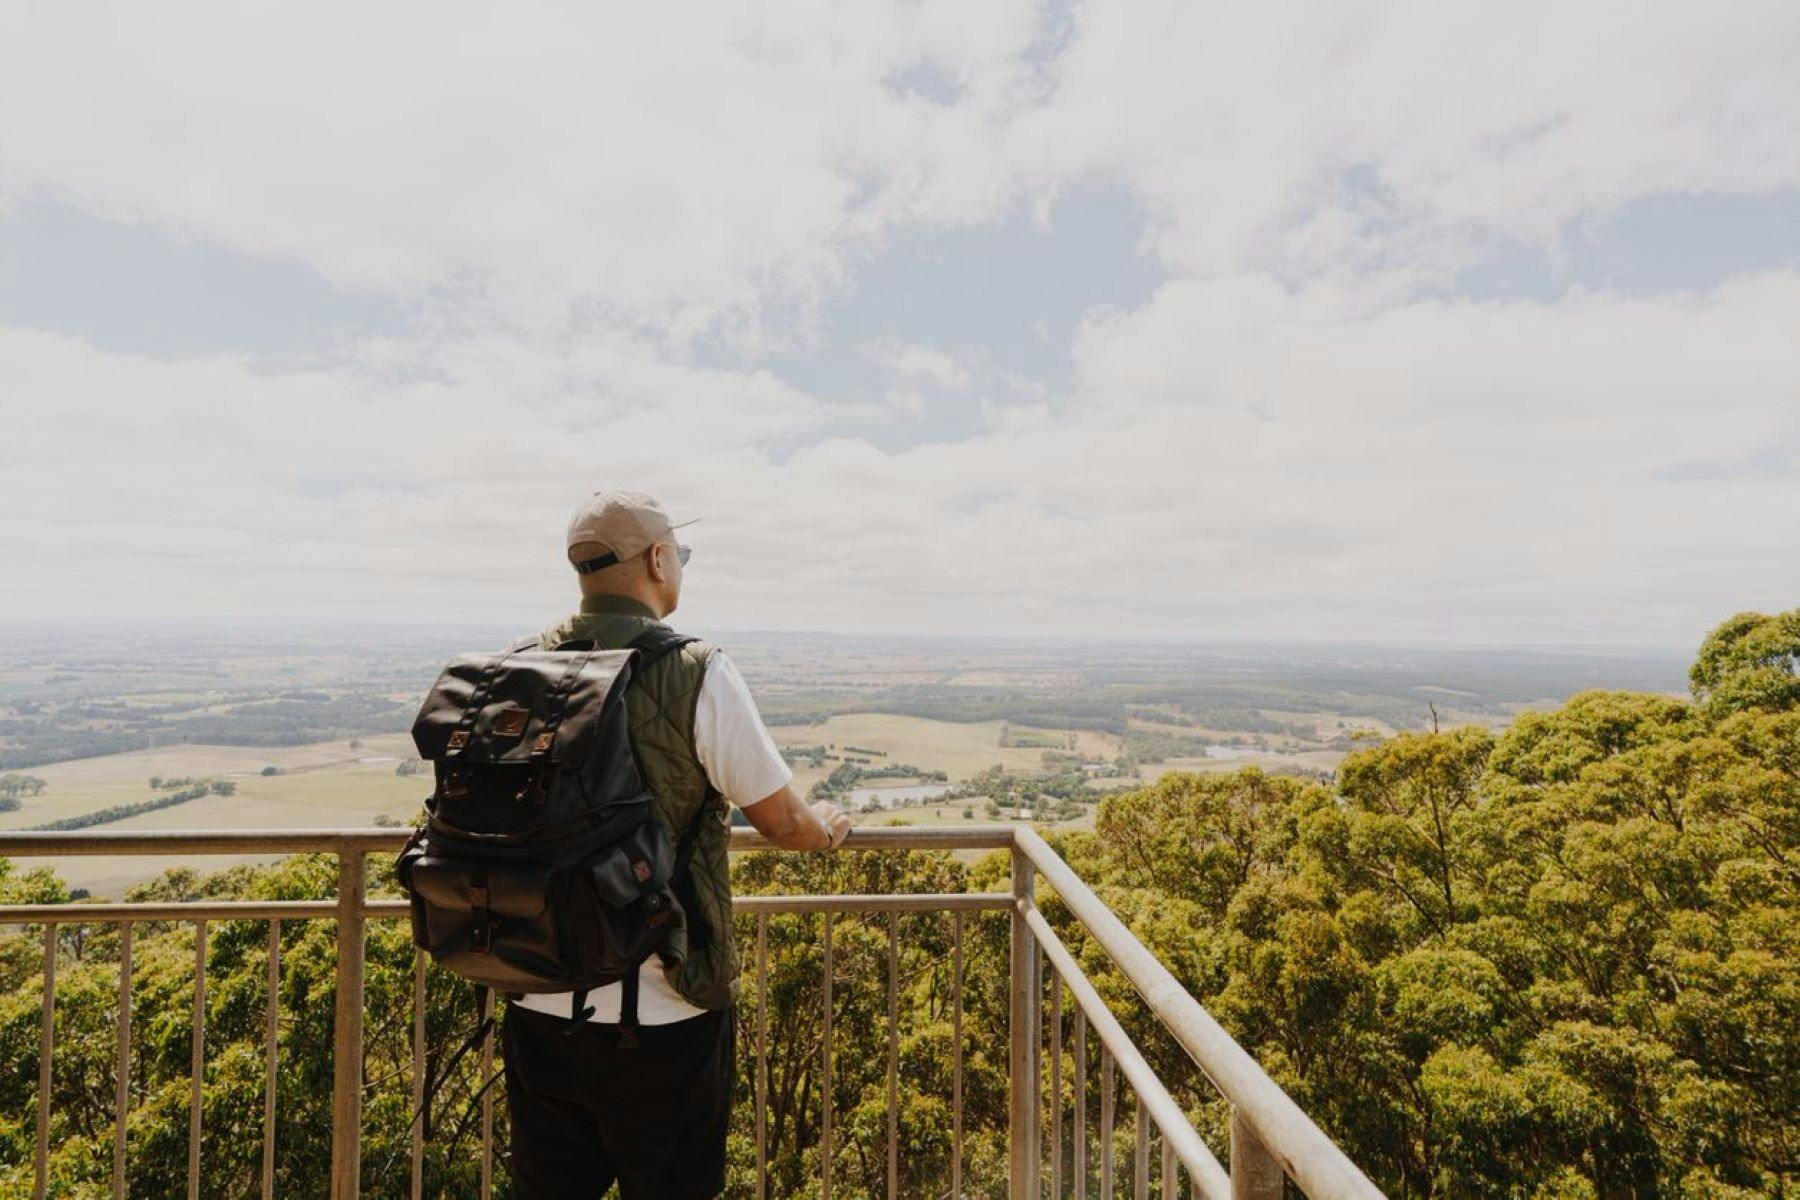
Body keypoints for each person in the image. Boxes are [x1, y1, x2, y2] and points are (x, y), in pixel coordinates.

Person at [502, 488, 852, 1200]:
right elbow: (781, 821)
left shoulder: (520, 666)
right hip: (662, 1010)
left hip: (538, 999)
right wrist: (824, 828)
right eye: (680, 553)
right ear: (658, 560)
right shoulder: (697, 671)